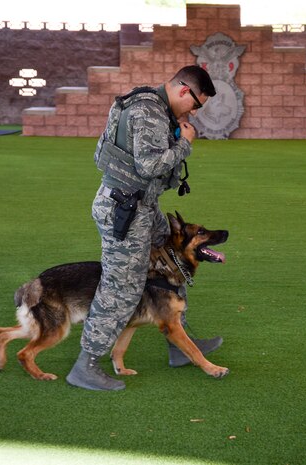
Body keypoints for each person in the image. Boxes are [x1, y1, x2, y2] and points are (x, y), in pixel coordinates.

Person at [66, 65, 222, 391]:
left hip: (142, 207)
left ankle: (179, 341)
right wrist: (185, 144)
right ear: (184, 90)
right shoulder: (147, 109)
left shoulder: (153, 105)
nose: (195, 111)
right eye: (196, 104)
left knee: (170, 254)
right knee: (122, 287)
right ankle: (86, 364)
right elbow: (149, 165)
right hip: (124, 211)